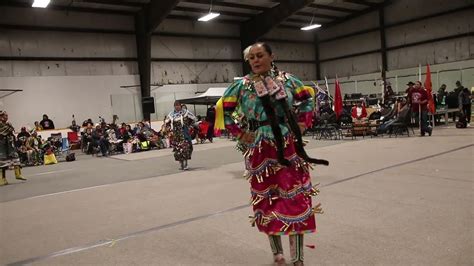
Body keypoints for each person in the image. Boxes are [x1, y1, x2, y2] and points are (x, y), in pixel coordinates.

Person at [221, 42, 328, 265]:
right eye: (252, 58)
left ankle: (297, 257)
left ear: (271, 56)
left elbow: (306, 99)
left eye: (260, 55)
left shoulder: (288, 80)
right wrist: (239, 133)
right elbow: (226, 110)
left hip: (288, 145)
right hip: (261, 149)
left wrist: (302, 123)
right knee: (267, 199)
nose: (256, 60)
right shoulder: (241, 86)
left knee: (296, 197)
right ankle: (278, 255)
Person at [165, 100, 196, 170]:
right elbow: (167, 123)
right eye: (175, 105)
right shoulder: (171, 114)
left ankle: (186, 163)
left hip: (184, 133)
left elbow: (193, 119)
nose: (177, 107)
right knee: (178, 150)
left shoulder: (185, 112)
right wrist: (169, 130)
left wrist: (190, 126)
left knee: (185, 148)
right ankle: (181, 163)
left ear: (180, 106)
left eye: (178, 105)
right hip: (176, 135)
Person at [0, 111, 27, 186]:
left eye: (7, 116)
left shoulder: (8, 124)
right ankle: (2, 179)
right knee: (2, 163)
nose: (6, 117)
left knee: (16, 158)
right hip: (2, 145)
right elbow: (4, 132)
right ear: (1, 116)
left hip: (9, 144)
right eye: (5, 116)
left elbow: (11, 131)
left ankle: (18, 174)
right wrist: (9, 128)